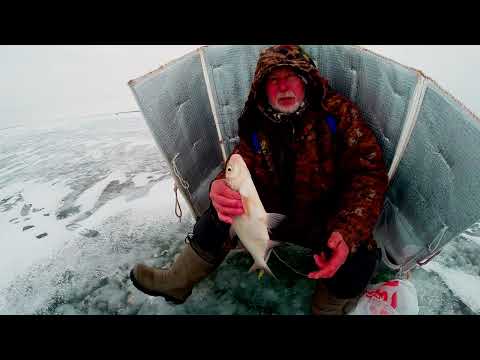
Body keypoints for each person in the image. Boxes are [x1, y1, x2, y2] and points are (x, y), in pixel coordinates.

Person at [130, 45, 389, 315]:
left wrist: (346, 233)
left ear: (306, 80)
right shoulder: (258, 121)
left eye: (290, 77)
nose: (283, 87)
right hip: (270, 216)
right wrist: (219, 185)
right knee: (221, 214)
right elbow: (240, 161)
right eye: (273, 80)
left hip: (325, 220)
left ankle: (327, 309)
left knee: (361, 255)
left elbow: (368, 174)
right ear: (262, 89)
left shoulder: (339, 115)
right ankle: (176, 282)